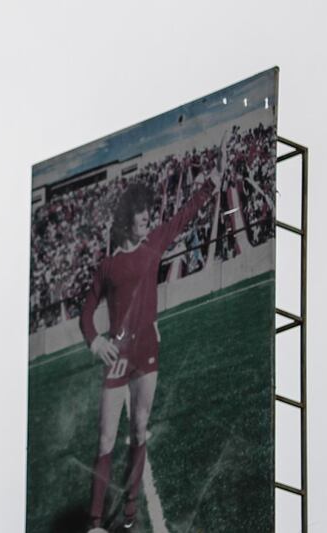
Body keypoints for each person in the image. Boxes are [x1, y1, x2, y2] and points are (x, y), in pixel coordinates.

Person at [80, 168, 218, 532]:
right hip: (118, 355)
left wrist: (210, 183)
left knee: (140, 429)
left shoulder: (154, 244)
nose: (147, 217)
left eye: (148, 212)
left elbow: (184, 215)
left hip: (148, 351)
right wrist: (96, 340)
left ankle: (129, 512)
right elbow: (86, 308)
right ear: (128, 218)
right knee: (106, 437)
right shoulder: (108, 266)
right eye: (140, 212)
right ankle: (95, 522)